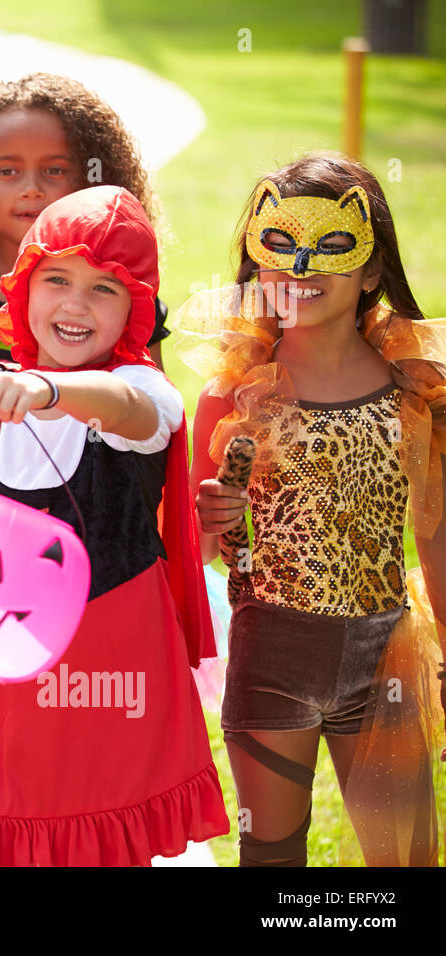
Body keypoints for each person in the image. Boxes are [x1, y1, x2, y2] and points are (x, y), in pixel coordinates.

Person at [0, 185, 227, 866]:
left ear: (134, 311)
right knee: (13, 811)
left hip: (118, 640)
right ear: (23, 286)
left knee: (109, 827)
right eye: (55, 278)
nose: (73, 304)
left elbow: (124, 409)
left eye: (104, 289)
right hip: (15, 637)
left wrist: (47, 392)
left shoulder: (145, 388)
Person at [186, 152, 446, 866]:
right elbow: (195, 547)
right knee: (270, 851)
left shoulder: (414, 391)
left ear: (370, 269)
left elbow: (436, 534)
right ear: (255, 262)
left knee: (408, 855)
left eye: (331, 247)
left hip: (384, 659)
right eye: (280, 247)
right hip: (270, 652)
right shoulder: (237, 392)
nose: (300, 270)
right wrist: (205, 523)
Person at [0, 74, 170, 495]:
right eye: (7, 170)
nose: (32, 188)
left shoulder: (126, 297)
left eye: (55, 170)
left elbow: (152, 428)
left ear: (93, 178)